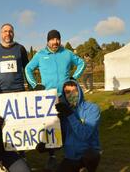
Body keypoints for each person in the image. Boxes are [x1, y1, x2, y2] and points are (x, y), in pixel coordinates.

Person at [25, 29, 86, 171]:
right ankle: (51, 157)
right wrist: (35, 85)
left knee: (70, 123)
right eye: (52, 39)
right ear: (47, 41)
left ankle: (71, 155)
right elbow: (28, 69)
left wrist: (74, 78)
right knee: (51, 125)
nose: (55, 42)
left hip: (67, 95)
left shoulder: (67, 53)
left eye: (57, 39)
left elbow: (82, 63)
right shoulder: (40, 55)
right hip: (49, 96)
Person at [36, 80, 101, 172]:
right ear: (64, 94)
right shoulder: (63, 111)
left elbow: (84, 134)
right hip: (71, 157)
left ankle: (88, 169)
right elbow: (61, 139)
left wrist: (70, 115)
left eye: (74, 91)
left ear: (80, 91)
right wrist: (47, 145)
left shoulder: (92, 109)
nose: (71, 94)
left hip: (88, 154)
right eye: (67, 92)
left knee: (91, 156)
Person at [0, 23, 29, 159]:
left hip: (19, 91)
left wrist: (31, 86)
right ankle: (2, 154)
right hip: (1, 93)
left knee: (20, 123)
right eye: (5, 31)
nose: (8, 34)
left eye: (10, 31)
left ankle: (22, 153)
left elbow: (27, 69)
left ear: (14, 33)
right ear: (1, 34)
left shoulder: (20, 49)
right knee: (2, 123)